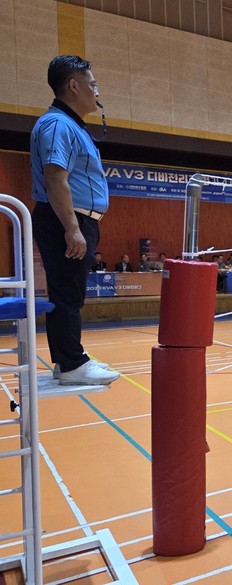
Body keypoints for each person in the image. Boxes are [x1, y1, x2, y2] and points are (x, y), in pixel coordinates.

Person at [30, 55, 119, 386]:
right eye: (93, 84)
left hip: (76, 220)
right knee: (68, 293)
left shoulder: (71, 125)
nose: (97, 91)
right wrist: (72, 229)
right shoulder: (58, 125)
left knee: (69, 292)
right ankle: (72, 365)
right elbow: (55, 177)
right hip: (65, 220)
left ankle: (67, 360)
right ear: (73, 86)